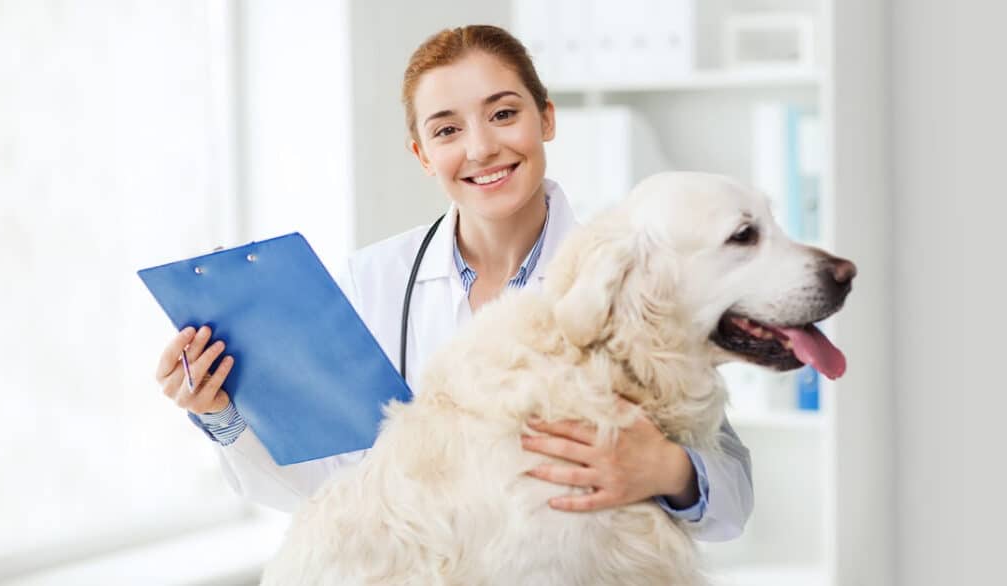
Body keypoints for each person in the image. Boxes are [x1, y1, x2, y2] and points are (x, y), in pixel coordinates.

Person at [154, 24, 753, 541]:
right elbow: (335, 491)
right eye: (447, 131)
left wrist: (668, 472)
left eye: (503, 113)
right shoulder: (372, 281)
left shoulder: (627, 275)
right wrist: (225, 415)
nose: (482, 147)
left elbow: (733, 497)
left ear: (546, 118)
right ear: (422, 154)